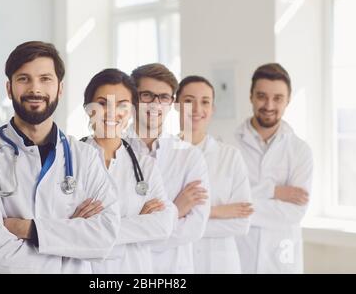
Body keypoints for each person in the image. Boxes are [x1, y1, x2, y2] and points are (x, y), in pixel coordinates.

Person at [0, 41, 120, 273]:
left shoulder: (85, 157)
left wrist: (30, 231)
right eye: (24, 78)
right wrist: (69, 246)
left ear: (60, 88)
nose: (35, 89)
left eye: (45, 79)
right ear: (9, 88)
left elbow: (105, 238)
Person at [81, 68, 178, 273]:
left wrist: (91, 229)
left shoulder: (145, 166)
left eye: (122, 105)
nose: (111, 112)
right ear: (88, 108)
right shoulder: (69, 162)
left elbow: (163, 225)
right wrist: (138, 224)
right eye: (102, 103)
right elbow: (59, 226)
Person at [124, 63, 210, 274]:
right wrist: (176, 211)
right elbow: (105, 226)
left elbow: (195, 227)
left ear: (172, 103)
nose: (156, 104)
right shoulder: (111, 151)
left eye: (164, 97)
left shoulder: (190, 155)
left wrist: (134, 233)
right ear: (133, 99)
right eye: (147, 96)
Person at [234, 63, 313, 274]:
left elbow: (295, 212)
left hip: (282, 260)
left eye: (277, 98)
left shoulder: (300, 151)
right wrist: (274, 192)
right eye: (261, 96)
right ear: (251, 96)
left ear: (288, 100)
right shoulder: (229, 146)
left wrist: (240, 206)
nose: (269, 105)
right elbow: (223, 199)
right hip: (240, 256)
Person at [176, 75, 253, 274]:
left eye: (205, 102)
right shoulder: (162, 155)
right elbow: (160, 223)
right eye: (188, 101)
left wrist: (187, 215)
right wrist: (219, 212)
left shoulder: (230, 156)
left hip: (221, 266)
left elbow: (241, 224)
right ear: (176, 105)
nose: (197, 109)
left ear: (212, 110)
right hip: (176, 263)